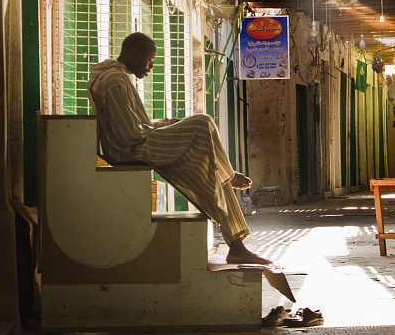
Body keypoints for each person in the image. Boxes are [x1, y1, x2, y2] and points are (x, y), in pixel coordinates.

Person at [87, 32, 270, 265]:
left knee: (207, 168)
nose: (151, 66)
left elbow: (133, 125)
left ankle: (236, 244)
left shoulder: (114, 76)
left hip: (135, 145)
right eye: (149, 59)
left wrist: (164, 124)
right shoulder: (114, 80)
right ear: (133, 53)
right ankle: (229, 176)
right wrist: (162, 129)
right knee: (202, 122)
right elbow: (129, 135)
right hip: (129, 150)